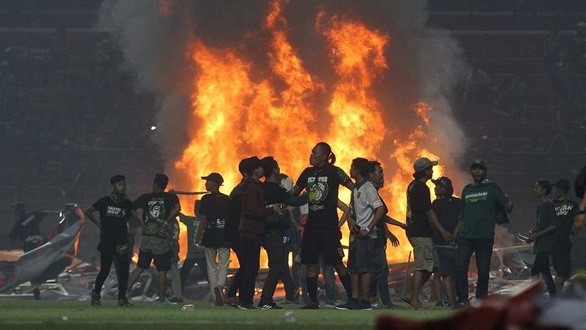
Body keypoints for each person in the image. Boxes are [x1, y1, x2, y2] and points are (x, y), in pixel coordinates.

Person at [294, 142, 354, 309]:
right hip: (312, 227)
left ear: (324, 155)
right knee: (311, 264)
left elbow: (355, 189)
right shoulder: (307, 173)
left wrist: (355, 210)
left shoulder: (336, 172)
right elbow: (295, 193)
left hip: (329, 227)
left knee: (336, 262)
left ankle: (353, 299)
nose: (311, 155)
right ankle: (313, 301)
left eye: (314, 152)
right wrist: (286, 195)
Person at [454, 158, 513, 307]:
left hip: (484, 235)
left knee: (483, 269)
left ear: (485, 171)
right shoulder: (467, 190)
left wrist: (509, 206)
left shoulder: (493, 188)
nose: (477, 171)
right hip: (466, 235)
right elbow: (462, 215)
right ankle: (462, 300)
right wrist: (455, 233)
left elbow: (506, 202)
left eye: (480, 168)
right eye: (474, 168)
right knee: (460, 267)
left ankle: (481, 301)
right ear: (471, 171)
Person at [404, 157, 453, 309]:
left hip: (417, 231)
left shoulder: (412, 186)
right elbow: (429, 212)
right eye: (430, 168)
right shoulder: (421, 188)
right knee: (422, 266)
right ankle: (413, 300)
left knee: (432, 266)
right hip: (420, 232)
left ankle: (411, 295)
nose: (432, 171)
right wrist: (443, 231)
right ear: (425, 171)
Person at [337, 158, 385, 310]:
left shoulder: (368, 188)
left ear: (357, 170)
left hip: (366, 236)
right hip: (356, 235)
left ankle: (365, 301)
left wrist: (368, 228)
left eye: (352, 167)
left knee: (364, 268)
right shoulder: (357, 188)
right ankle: (354, 300)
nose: (350, 170)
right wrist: (349, 221)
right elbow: (351, 210)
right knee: (354, 268)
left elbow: (380, 209)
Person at [235, 157, 281, 309]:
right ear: (255, 170)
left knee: (251, 266)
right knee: (250, 267)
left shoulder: (254, 186)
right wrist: (270, 210)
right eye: (260, 167)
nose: (263, 169)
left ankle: (244, 300)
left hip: (254, 231)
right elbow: (251, 210)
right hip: (250, 231)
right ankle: (245, 301)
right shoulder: (251, 187)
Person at [128, 173, 181, 303]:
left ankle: (123, 292)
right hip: (160, 239)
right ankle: (161, 299)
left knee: (140, 267)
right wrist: (167, 222)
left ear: (155, 184)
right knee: (162, 269)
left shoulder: (146, 197)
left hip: (146, 238)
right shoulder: (170, 197)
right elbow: (178, 209)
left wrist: (141, 221)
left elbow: (130, 208)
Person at [84, 175, 133, 307]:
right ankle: (96, 295)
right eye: (120, 184)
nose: (123, 187)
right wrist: (99, 224)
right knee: (104, 270)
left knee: (123, 271)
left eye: (124, 184)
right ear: (114, 186)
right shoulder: (105, 201)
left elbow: (127, 218)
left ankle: (122, 299)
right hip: (107, 241)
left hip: (122, 241)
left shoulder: (127, 203)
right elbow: (88, 211)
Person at [257, 157, 299, 309]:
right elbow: (294, 201)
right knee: (277, 266)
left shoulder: (262, 187)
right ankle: (265, 299)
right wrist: (309, 195)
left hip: (267, 232)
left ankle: (267, 299)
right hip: (274, 232)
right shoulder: (274, 189)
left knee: (278, 265)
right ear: (275, 170)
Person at [366, 160, 403, 309]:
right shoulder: (370, 192)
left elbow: (380, 216)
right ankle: (384, 301)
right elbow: (379, 216)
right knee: (381, 270)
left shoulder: (373, 192)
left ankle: (373, 298)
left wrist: (399, 226)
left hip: (377, 238)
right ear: (370, 175)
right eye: (379, 172)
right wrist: (389, 233)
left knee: (376, 269)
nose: (382, 176)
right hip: (373, 238)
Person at [9, 201, 59, 299]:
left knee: (31, 265)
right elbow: (45, 213)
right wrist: (58, 212)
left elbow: (13, 238)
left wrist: (9, 247)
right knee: (44, 260)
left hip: (29, 244)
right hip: (39, 243)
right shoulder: (33, 215)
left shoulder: (18, 223)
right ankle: (43, 280)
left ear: (18, 211)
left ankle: (36, 289)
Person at [199, 172, 232, 306]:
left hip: (210, 234)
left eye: (208, 181)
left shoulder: (206, 199)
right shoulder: (227, 199)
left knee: (211, 267)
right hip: (224, 233)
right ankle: (220, 286)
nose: (206, 184)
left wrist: (198, 236)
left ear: (214, 183)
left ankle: (214, 295)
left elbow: (204, 219)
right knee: (223, 265)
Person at [431, 176, 461, 308]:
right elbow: (462, 220)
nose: (435, 188)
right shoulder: (459, 203)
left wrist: (444, 234)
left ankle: (447, 302)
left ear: (443, 189)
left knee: (441, 273)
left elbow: (432, 221)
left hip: (440, 243)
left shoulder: (435, 204)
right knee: (453, 273)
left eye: (437, 186)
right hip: (456, 244)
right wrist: (454, 234)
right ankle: (454, 300)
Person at [525, 180, 557, 296]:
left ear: (544, 191)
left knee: (535, 271)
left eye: (537, 188)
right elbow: (538, 224)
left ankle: (532, 297)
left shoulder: (549, 205)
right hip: (540, 244)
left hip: (546, 244)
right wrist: (531, 232)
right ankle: (554, 296)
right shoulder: (540, 206)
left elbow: (554, 225)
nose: (534, 190)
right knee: (545, 271)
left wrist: (536, 235)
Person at [551, 179, 578, 294]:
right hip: (560, 242)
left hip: (555, 242)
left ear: (561, 190)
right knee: (562, 272)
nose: (555, 191)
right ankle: (556, 299)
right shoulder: (572, 205)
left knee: (560, 272)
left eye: (556, 189)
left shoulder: (552, 204)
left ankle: (556, 298)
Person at [178, 203, 209, 293]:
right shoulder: (207, 221)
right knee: (208, 275)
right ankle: (215, 294)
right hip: (203, 253)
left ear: (195, 210)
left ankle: (179, 294)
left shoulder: (190, 220)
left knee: (182, 275)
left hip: (192, 254)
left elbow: (178, 213)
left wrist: (172, 196)